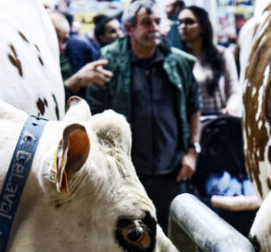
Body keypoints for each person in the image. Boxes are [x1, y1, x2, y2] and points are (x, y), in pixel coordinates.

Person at [86, 0, 201, 233]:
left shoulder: (179, 62)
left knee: (173, 236)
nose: (154, 28)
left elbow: (194, 107)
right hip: (127, 174)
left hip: (172, 171)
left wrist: (192, 152)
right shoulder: (109, 62)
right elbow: (95, 115)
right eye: (146, 23)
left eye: (158, 22)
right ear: (129, 29)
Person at [178, 6, 241, 116]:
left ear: (203, 27)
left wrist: (230, 108)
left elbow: (234, 90)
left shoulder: (222, 54)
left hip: (217, 121)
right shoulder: (179, 58)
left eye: (189, 22)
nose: (183, 26)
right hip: (190, 125)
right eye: (180, 22)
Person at [48, 10, 113, 100]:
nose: (61, 47)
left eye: (65, 40)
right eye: (55, 38)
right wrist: (75, 81)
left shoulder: (63, 57)